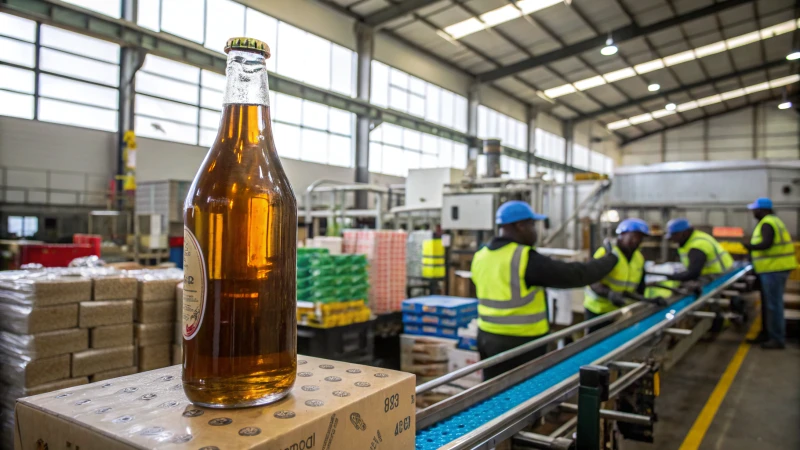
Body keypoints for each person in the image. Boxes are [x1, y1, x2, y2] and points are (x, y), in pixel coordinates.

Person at [471, 200, 619, 380]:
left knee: (492, 395)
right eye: (532, 225)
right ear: (520, 226)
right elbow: (576, 275)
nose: (535, 231)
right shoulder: (524, 257)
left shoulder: (481, 256)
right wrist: (610, 259)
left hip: (487, 338)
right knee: (525, 399)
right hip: (520, 344)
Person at [743, 197, 798, 349]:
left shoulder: (767, 223)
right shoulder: (773, 221)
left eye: (755, 209)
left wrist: (749, 246)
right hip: (771, 269)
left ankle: (777, 339)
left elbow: (766, 243)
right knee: (769, 304)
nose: (753, 212)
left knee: (774, 305)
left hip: (774, 269)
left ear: (763, 210)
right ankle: (767, 334)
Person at [584, 218, 656, 333]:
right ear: (621, 235)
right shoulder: (607, 254)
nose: (636, 241)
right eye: (633, 237)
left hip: (620, 311)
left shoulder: (638, 258)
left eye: (640, 238)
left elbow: (639, 288)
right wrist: (609, 293)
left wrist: (649, 300)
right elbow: (593, 281)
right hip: (598, 310)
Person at [665, 218, 734, 282]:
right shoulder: (694, 238)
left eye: (674, 235)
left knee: (687, 287)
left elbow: (693, 273)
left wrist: (673, 277)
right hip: (718, 272)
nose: (672, 238)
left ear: (685, 233)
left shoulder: (698, 245)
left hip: (720, 275)